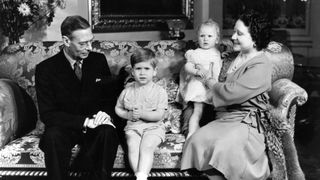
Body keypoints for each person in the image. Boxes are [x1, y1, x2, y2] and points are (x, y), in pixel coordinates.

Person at [180, 9, 272, 180]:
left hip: (246, 122)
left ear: (255, 39)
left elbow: (230, 93)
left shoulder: (261, 65)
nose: (233, 37)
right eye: (234, 32)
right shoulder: (232, 57)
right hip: (225, 118)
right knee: (197, 140)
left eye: (239, 34)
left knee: (223, 147)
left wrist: (208, 79)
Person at [35, 15, 120, 180]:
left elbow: (109, 99)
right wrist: (84, 122)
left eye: (91, 41)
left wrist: (105, 113)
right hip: (65, 126)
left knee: (108, 132)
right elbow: (48, 114)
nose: (89, 47)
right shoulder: (46, 69)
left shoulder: (98, 60)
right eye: (82, 43)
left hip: (95, 124)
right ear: (66, 41)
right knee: (53, 137)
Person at [115, 48, 168, 180]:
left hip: (154, 127)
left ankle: (141, 177)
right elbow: (118, 108)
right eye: (138, 69)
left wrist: (142, 114)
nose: (142, 73)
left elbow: (159, 115)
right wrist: (127, 116)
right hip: (133, 128)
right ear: (132, 72)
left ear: (154, 71)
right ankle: (139, 175)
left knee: (146, 146)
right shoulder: (127, 91)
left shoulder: (160, 91)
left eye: (147, 69)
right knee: (133, 146)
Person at [179, 19, 222, 139]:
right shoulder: (195, 53)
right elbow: (187, 66)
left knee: (209, 111)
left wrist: (216, 82)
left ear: (217, 39)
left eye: (209, 36)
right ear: (197, 38)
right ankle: (192, 132)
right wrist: (196, 71)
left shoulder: (216, 53)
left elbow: (217, 69)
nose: (205, 39)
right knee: (197, 110)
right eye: (202, 36)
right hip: (197, 85)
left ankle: (202, 132)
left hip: (209, 86)